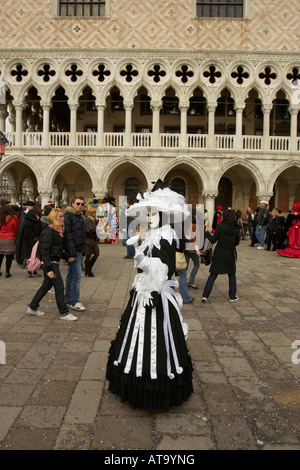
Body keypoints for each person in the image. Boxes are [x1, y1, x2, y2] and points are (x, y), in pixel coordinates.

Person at [106, 180, 193, 411]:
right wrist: (139, 258)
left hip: (157, 293)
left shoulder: (166, 235)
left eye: (155, 213)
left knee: (159, 336)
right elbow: (143, 267)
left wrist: (144, 262)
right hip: (143, 290)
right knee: (135, 334)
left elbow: (166, 268)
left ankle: (158, 378)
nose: (151, 217)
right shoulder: (150, 234)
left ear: (164, 215)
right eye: (149, 213)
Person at [27, 208, 78, 321]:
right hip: (49, 264)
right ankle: (64, 313)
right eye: (60, 217)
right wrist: (49, 268)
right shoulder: (48, 231)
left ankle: (33, 306)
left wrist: (66, 257)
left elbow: (57, 249)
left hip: (52, 262)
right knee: (59, 287)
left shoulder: (57, 231)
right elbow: (45, 251)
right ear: (54, 218)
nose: (62, 219)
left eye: (63, 217)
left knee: (47, 285)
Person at [201, 208, 240, 303]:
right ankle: (232, 295)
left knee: (213, 274)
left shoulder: (220, 226)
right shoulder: (236, 228)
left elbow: (213, 240)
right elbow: (237, 242)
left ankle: (205, 295)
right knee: (231, 275)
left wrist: (206, 233)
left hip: (219, 253)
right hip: (230, 253)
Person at [63, 195, 86, 311]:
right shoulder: (68, 217)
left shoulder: (79, 217)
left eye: (82, 204)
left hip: (78, 249)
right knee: (77, 276)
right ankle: (74, 301)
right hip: (74, 251)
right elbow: (68, 236)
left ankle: (68, 299)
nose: (80, 206)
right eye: (78, 203)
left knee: (71, 276)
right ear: (72, 204)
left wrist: (83, 250)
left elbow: (81, 235)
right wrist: (71, 253)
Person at [15, 200, 36, 267]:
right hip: (24, 234)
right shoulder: (23, 214)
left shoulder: (33, 213)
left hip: (31, 233)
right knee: (23, 247)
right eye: (30, 206)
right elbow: (21, 224)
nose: (31, 207)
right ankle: (23, 259)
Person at [0, 205, 19, 278]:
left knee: (0, 256)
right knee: (9, 256)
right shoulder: (13, 219)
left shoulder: (0, 219)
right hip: (10, 239)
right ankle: (7, 272)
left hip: (0, 238)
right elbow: (15, 229)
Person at [23, 209, 42, 277]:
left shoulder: (36, 222)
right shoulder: (30, 222)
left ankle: (34, 270)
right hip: (31, 241)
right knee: (31, 256)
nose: (37, 216)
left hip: (34, 241)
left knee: (36, 256)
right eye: (36, 215)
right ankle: (30, 270)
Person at [185, 210, 201, 289]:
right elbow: (196, 240)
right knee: (197, 264)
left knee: (185, 266)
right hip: (192, 249)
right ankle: (191, 282)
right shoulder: (195, 226)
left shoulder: (185, 225)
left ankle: (183, 281)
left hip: (185, 248)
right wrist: (198, 251)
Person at [84, 204, 99, 277]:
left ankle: (88, 268)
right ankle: (88, 270)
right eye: (94, 212)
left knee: (96, 254)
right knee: (88, 255)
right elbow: (87, 231)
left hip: (94, 239)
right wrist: (95, 230)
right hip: (88, 240)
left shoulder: (93, 219)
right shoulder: (87, 219)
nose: (95, 213)